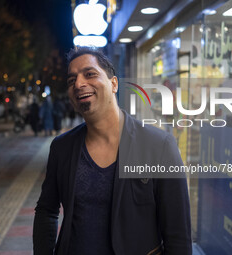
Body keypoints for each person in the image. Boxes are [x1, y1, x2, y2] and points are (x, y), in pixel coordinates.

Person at [33, 47, 192, 255]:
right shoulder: (62, 148)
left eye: (90, 74)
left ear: (114, 84)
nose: (79, 84)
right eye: (72, 80)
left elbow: (178, 235)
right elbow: (47, 210)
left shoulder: (159, 146)